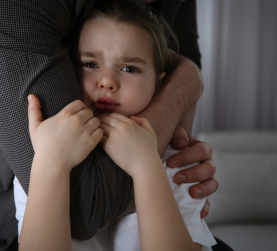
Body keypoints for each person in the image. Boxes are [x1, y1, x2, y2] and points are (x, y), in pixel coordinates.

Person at [0, 0, 218, 246]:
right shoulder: (47, 151)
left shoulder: (177, 163)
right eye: (90, 64)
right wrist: (50, 163)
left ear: (160, 83)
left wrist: (146, 165)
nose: (107, 81)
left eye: (129, 68)